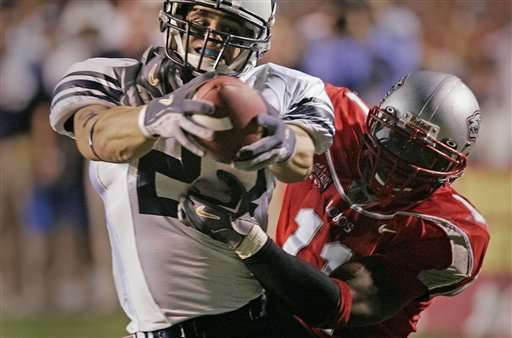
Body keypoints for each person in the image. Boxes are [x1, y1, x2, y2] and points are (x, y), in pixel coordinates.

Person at [49, 0, 334, 337]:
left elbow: (302, 157)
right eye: (201, 19)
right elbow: (94, 135)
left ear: (258, 38)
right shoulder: (114, 76)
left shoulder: (287, 86)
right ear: (175, 16)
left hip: (254, 317)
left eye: (231, 28)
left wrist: (284, 141)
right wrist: (152, 116)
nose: (212, 35)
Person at [179, 70, 490, 337]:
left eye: (423, 155)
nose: (399, 160)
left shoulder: (448, 230)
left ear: (450, 169)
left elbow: (337, 306)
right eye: (393, 138)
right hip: (269, 315)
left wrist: (246, 240)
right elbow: (238, 95)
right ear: (375, 119)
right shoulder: (334, 114)